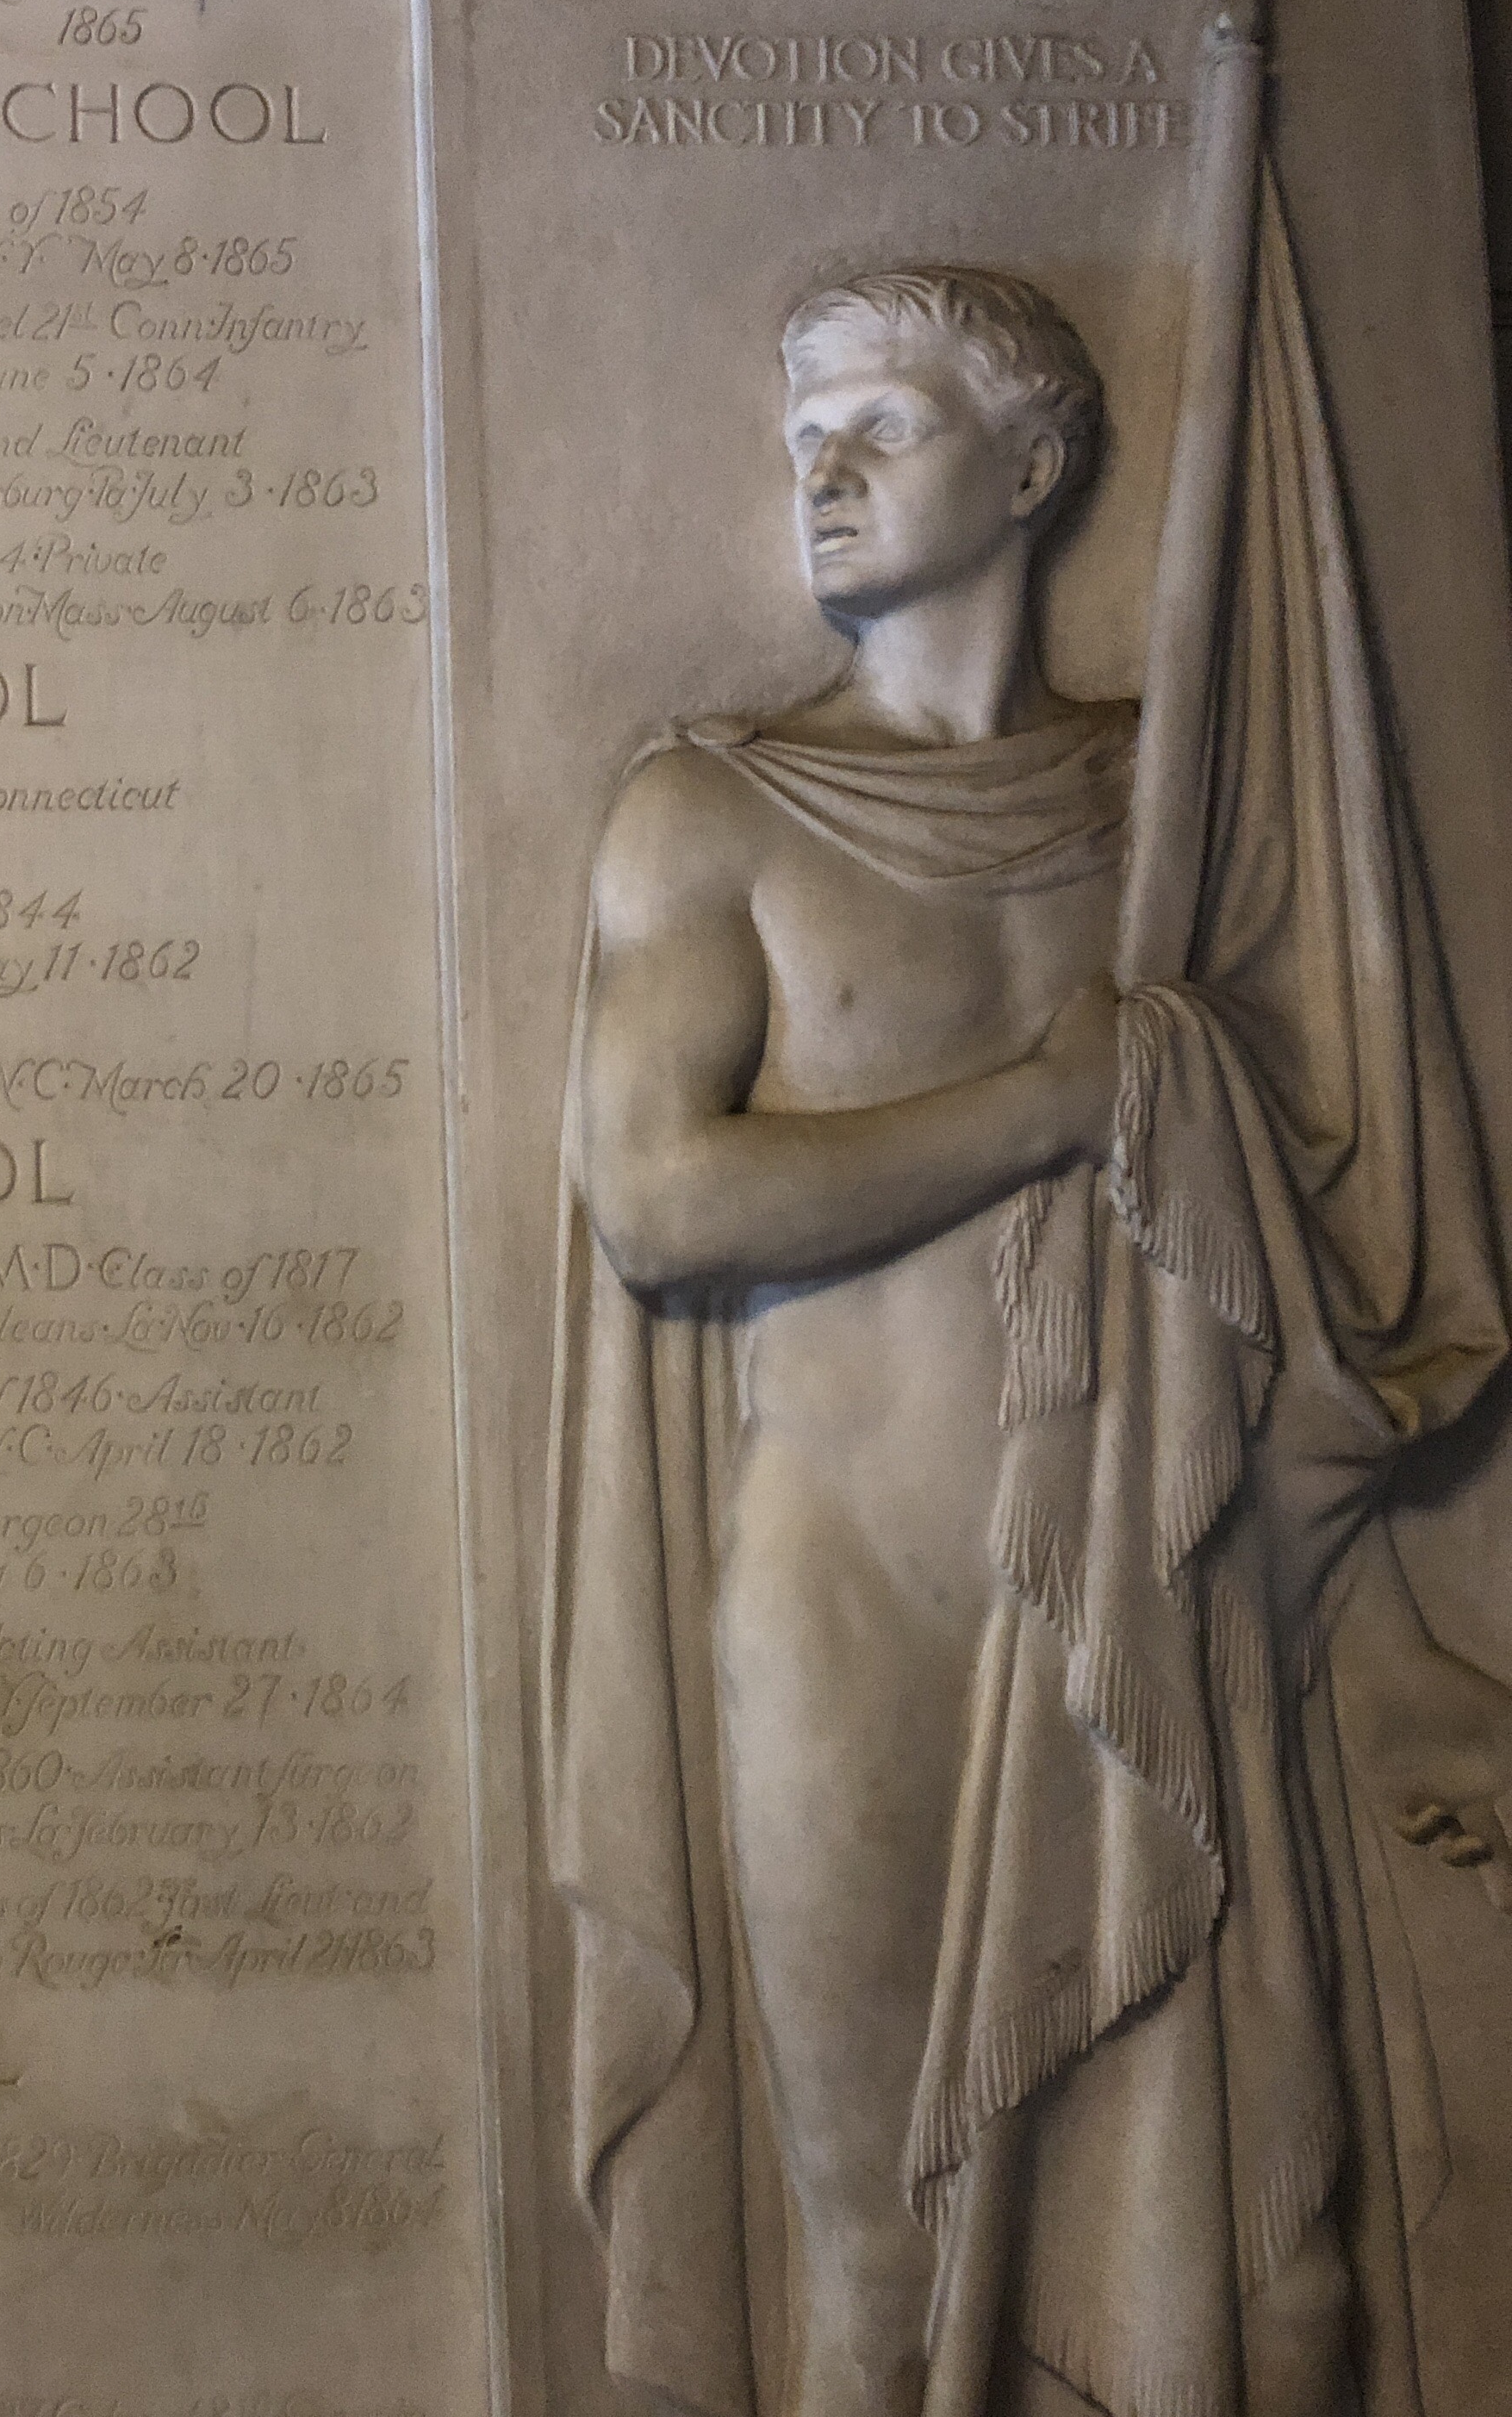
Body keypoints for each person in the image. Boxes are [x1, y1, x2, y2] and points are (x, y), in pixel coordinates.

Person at [553, 264, 1512, 2417]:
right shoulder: (713, 813)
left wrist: (1391, 1657)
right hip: (852, 1604)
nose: (822, 473)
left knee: (1283, 2285)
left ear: (1035, 468)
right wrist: (1047, 1105)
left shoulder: (1176, 813)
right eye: (802, 439)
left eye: (880, 427)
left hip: (1165, 1603)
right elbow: (662, 1200)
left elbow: (1266, 1309)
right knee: (888, 2280)